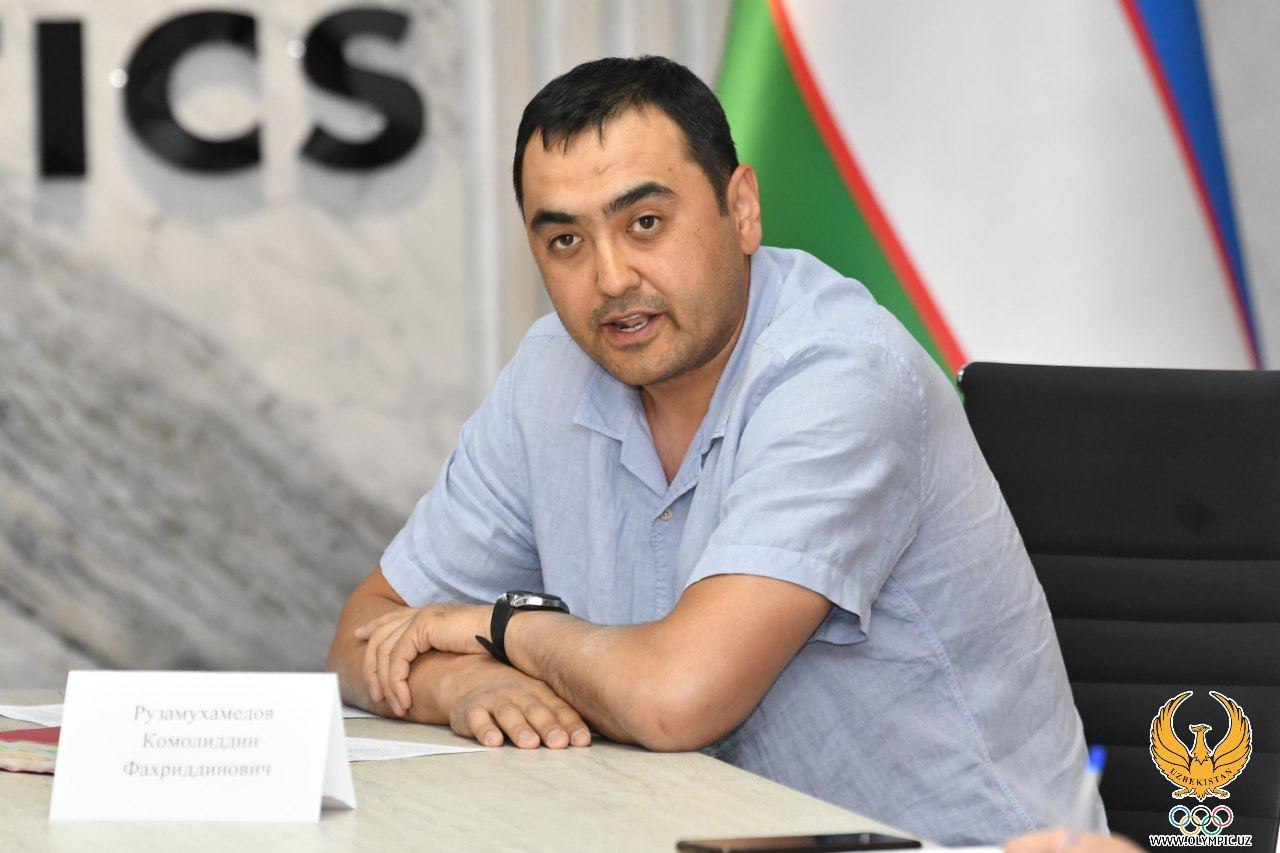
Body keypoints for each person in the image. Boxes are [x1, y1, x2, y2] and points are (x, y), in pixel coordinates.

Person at [327, 55, 1105, 845]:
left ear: (741, 210)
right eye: (565, 240)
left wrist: (503, 628)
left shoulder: (841, 372)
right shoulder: (550, 372)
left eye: (645, 223)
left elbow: (677, 698)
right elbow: (362, 636)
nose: (610, 278)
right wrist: (463, 684)